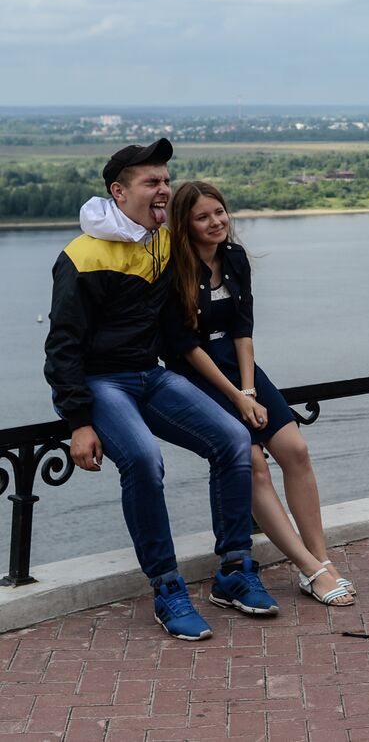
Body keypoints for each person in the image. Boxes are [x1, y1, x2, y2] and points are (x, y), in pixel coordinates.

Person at [43, 140, 278, 642]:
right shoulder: (82, 256)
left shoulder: (163, 244)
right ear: (118, 191)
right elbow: (62, 347)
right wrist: (79, 422)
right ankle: (167, 586)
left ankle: (234, 571)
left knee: (234, 440)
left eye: (165, 181)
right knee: (145, 460)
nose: (163, 191)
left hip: (150, 374)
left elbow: (205, 284)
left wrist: (242, 385)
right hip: (102, 382)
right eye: (152, 183)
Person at [162, 181, 354, 608]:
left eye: (219, 212)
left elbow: (243, 329)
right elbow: (187, 347)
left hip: (237, 364)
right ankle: (310, 567)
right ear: (184, 225)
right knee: (252, 464)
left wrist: (249, 389)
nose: (216, 222)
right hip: (198, 373)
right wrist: (235, 397)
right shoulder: (174, 270)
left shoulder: (234, 258)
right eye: (202, 217)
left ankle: (320, 554)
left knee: (296, 450)